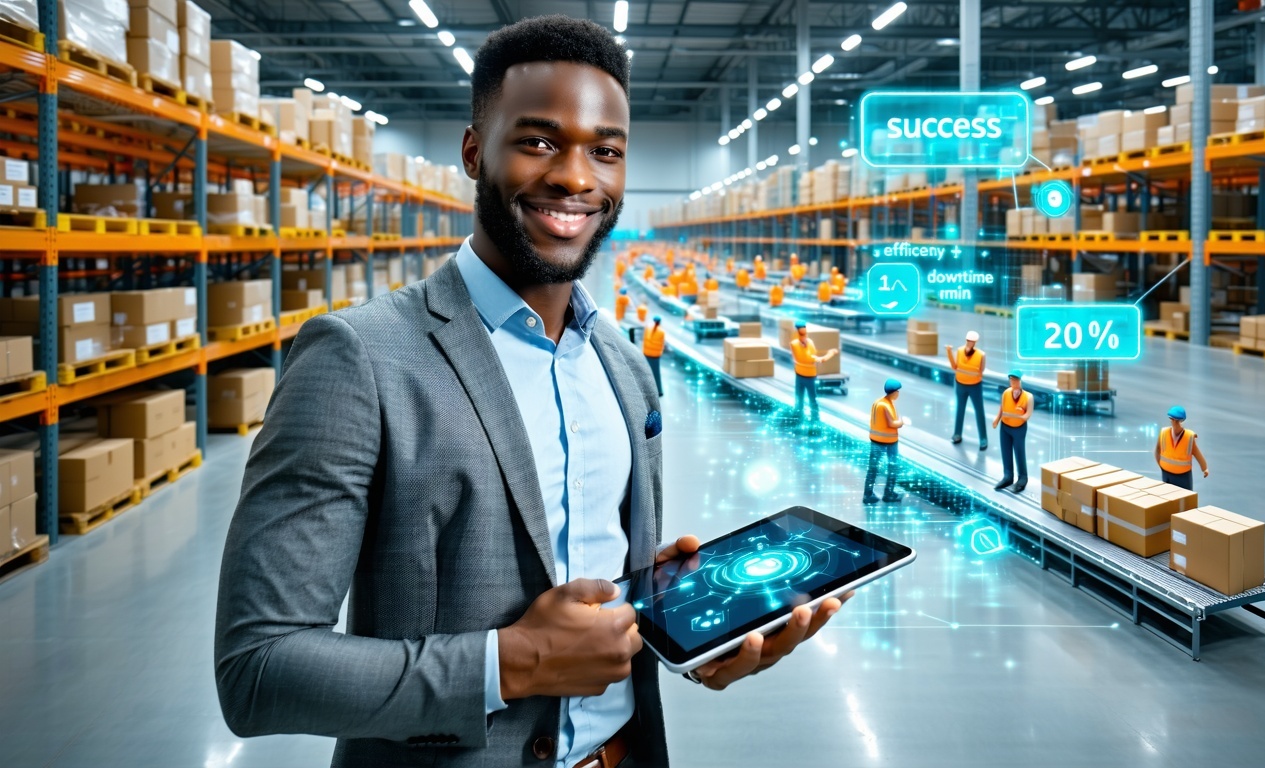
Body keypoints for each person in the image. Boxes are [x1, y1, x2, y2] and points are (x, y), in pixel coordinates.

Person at [214, 17, 848, 768]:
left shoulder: (622, 366)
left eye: (605, 152)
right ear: (475, 151)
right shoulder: (358, 359)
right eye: (540, 141)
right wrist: (513, 661)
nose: (577, 177)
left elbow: (605, 612)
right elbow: (258, 670)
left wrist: (690, 635)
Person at [864, 378, 907, 504]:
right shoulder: (886, 405)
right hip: (887, 441)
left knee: (873, 468)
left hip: (876, 440)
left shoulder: (879, 402)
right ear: (893, 392)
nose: (898, 394)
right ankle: (888, 494)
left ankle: (868, 494)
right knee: (892, 467)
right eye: (897, 391)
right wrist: (902, 422)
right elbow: (892, 423)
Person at [992, 369, 1033, 493]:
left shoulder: (1028, 397)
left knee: (1019, 452)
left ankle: (1023, 478)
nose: (1013, 382)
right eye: (1011, 380)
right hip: (1005, 427)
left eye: (1015, 380)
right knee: (1006, 451)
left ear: (1020, 381)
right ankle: (1008, 476)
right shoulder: (1006, 393)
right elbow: (1002, 408)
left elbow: (1027, 415)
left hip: (1019, 429)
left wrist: (1018, 416)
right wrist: (997, 419)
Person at [946, 330, 988, 450]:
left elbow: (981, 370)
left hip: (975, 386)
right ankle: (957, 434)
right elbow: (954, 366)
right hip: (960, 384)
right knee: (960, 409)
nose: (970, 343)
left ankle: (983, 439)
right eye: (968, 341)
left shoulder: (981, 355)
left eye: (972, 341)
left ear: (975, 342)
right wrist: (949, 352)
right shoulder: (959, 351)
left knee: (979, 412)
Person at [1155, 405, 1209, 490]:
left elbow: (1197, 454)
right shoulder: (1164, 433)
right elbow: (1157, 450)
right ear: (1171, 419)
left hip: (1183, 476)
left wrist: (1204, 468)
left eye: (1178, 421)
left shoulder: (1189, 437)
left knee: (1184, 500)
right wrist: (1161, 465)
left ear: (1181, 421)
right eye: (1173, 420)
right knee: (1168, 497)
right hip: (1166, 474)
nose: (1175, 423)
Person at [791, 320, 836, 421]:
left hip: (808, 376)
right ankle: (801, 418)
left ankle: (813, 419)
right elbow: (820, 360)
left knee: (809, 399)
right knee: (803, 399)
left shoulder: (809, 343)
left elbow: (813, 354)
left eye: (805, 334)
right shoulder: (796, 346)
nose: (804, 337)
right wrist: (831, 353)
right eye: (801, 334)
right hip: (802, 376)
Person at [644, 315, 666, 397]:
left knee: (645, 372)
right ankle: (659, 391)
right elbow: (662, 343)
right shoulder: (661, 331)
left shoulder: (648, 329)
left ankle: (646, 389)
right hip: (655, 355)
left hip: (647, 353)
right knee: (656, 374)